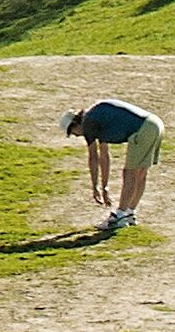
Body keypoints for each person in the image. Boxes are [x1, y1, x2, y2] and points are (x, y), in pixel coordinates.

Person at [64, 97, 163, 234]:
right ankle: (129, 213)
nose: (75, 136)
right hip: (155, 124)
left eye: (72, 132)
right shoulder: (96, 118)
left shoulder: (88, 124)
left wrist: (94, 187)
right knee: (140, 173)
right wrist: (104, 186)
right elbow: (104, 156)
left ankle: (120, 216)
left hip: (143, 129)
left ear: (75, 124)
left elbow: (94, 157)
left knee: (130, 173)